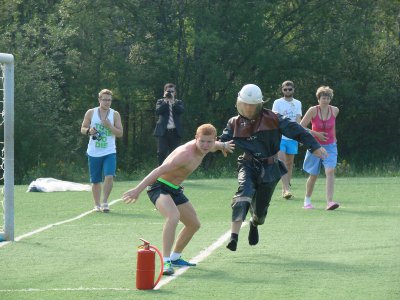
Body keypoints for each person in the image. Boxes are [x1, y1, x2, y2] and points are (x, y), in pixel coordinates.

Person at [219, 84, 327, 251]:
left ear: (259, 105)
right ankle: (234, 237)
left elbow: (298, 131)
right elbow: (222, 140)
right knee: (244, 192)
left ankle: (254, 223)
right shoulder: (234, 122)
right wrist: (220, 146)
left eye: (251, 105)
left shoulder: (274, 118)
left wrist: (314, 146)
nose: (247, 108)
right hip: (247, 164)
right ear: (239, 103)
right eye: (245, 104)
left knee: (260, 214)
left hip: (270, 168)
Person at [122, 124, 234, 275]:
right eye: (202, 142)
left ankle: (175, 257)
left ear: (214, 140)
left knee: (194, 224)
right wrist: (137, 190)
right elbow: (159, 170)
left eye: (209, 142)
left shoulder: (210, 146)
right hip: (159, 187)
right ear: (196, 139)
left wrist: (224, 145)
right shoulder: (185, 154)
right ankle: (166, 261)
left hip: (174, 189)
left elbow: (217, 145)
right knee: (173, 216)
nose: (206, 145)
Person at [81, 89, 123, 212]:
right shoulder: (91, 112)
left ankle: (105, 201)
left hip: (109, 151)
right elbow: (83, 128)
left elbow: (120, 133)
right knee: (95, 181)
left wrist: (110, 126)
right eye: (104, 99)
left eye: (109, 100)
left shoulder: (115, 114)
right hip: (93, 152)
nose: (107, 102)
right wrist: (89, 131)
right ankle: (97, 204)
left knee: (109, 176)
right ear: (99, 100)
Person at [300, 86, 340, 210]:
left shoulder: (335, 110)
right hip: (315, 146)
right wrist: (316, 134)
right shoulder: (313, 110)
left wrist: (335, 137)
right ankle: (307, 200)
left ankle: (330, 202)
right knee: (313, 175)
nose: (326, 100)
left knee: (330, 171)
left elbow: (332, 125)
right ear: (318, 99)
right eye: (323, 98)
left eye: (328, 98)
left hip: (330, 146)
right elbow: (301, 127)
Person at [272, 80, 302, 199]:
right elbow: (275, 118)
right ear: (282, 90)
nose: (288, 91)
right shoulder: (277, 102)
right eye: (285, 89)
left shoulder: (298, 103)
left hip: (292, 137)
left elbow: (298, 120)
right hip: (280, 137)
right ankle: (286, 190)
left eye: (290, 89)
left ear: (293, 90)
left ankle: (286, 188)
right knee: (282, 162)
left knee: (289, 164)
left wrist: (299, 135)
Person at [153, 83, 184, 165]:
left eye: (172, 91)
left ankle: (174, 174)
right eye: (168, 91)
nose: (170, 93)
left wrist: (173, 102)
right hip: (163, 132)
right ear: (164, 92)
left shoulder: (178, 102)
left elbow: (181, 111)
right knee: (161, 153)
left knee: (176, 154)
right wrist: (166, 101)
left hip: (175, 132)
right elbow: (158, 111)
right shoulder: (160, 101)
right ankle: (160, 175)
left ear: (175, 92)